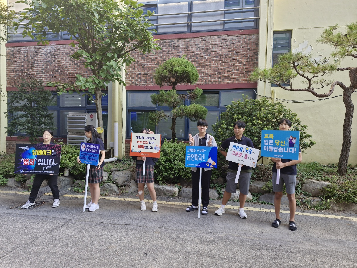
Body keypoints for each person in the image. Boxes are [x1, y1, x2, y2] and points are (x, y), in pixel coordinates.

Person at [215, 120, 253, 219]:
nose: (236, 130)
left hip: (246, 169)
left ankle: (241, 210)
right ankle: (222, 207)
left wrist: (244, 161)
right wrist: (230, 156)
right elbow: (221, 149)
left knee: (244, 190)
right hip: (233, 168)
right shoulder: (229, 140)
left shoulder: (248, 141)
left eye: (239, 128)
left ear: (243, 129)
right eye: (235, 128)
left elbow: (251, 155)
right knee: (229, 188)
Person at [271, 118, 302, 231]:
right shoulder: (275, 139)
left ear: (289, 127)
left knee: (291, 196)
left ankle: (292, 220)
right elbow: (271, 156)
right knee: (278, 194)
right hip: (277, 171)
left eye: (285, 124)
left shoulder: (292, 139)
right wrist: (275, 160)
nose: (283, 126)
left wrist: (285, 164)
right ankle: (277, 218)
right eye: (281, 124)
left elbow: (299, 159)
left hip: (289, 171)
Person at [21, 130, 60, 209]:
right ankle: (31, 201)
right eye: (44, 134)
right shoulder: (38, 146)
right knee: (36, 185)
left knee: (53, 185)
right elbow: (32, 159)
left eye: (48, 134)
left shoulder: (55, 147)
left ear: (51, 136)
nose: (46, 136)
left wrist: (54, 169)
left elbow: (57, 159)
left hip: (51, 170)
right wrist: (26, 169)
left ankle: (56, 200)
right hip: (40, 170)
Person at [186, 119, 217, 215]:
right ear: (197, 127)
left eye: (203, 126)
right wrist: (191, 143)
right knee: (195, 185)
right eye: (200, 125)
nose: (202, 127)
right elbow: (191, 151)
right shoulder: (194, 138)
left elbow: (214, 151)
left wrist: (210, 145)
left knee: (205, 185)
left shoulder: (211, 138)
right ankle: (194, 204)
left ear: (206, 127)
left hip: (207, 166)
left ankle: (205, 205)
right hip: (195, 166)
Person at [77, 125, 105, 212]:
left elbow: (103, 153)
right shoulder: (88, 141)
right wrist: (79, 158)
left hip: (96, 166)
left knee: (96, 185)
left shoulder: (98, 141)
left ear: (90, 132)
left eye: (86, 132)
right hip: (89, 165)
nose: (85, 134)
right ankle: (93, 201)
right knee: (90, 184)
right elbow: (84, 153)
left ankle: (95, 203)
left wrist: (100, 162)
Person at [133, 128, 158, 212]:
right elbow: (133, 156)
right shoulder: (137, 142)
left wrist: (153, 136)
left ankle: (155, 203)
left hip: (149, 164)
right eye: (143, 134)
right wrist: (140, 157)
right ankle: (142, 202)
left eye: (146, 134)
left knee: (150, 186)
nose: (144, 136)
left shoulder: (152, 141)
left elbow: (159, 145)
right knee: (140, 186)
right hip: (140, 165)